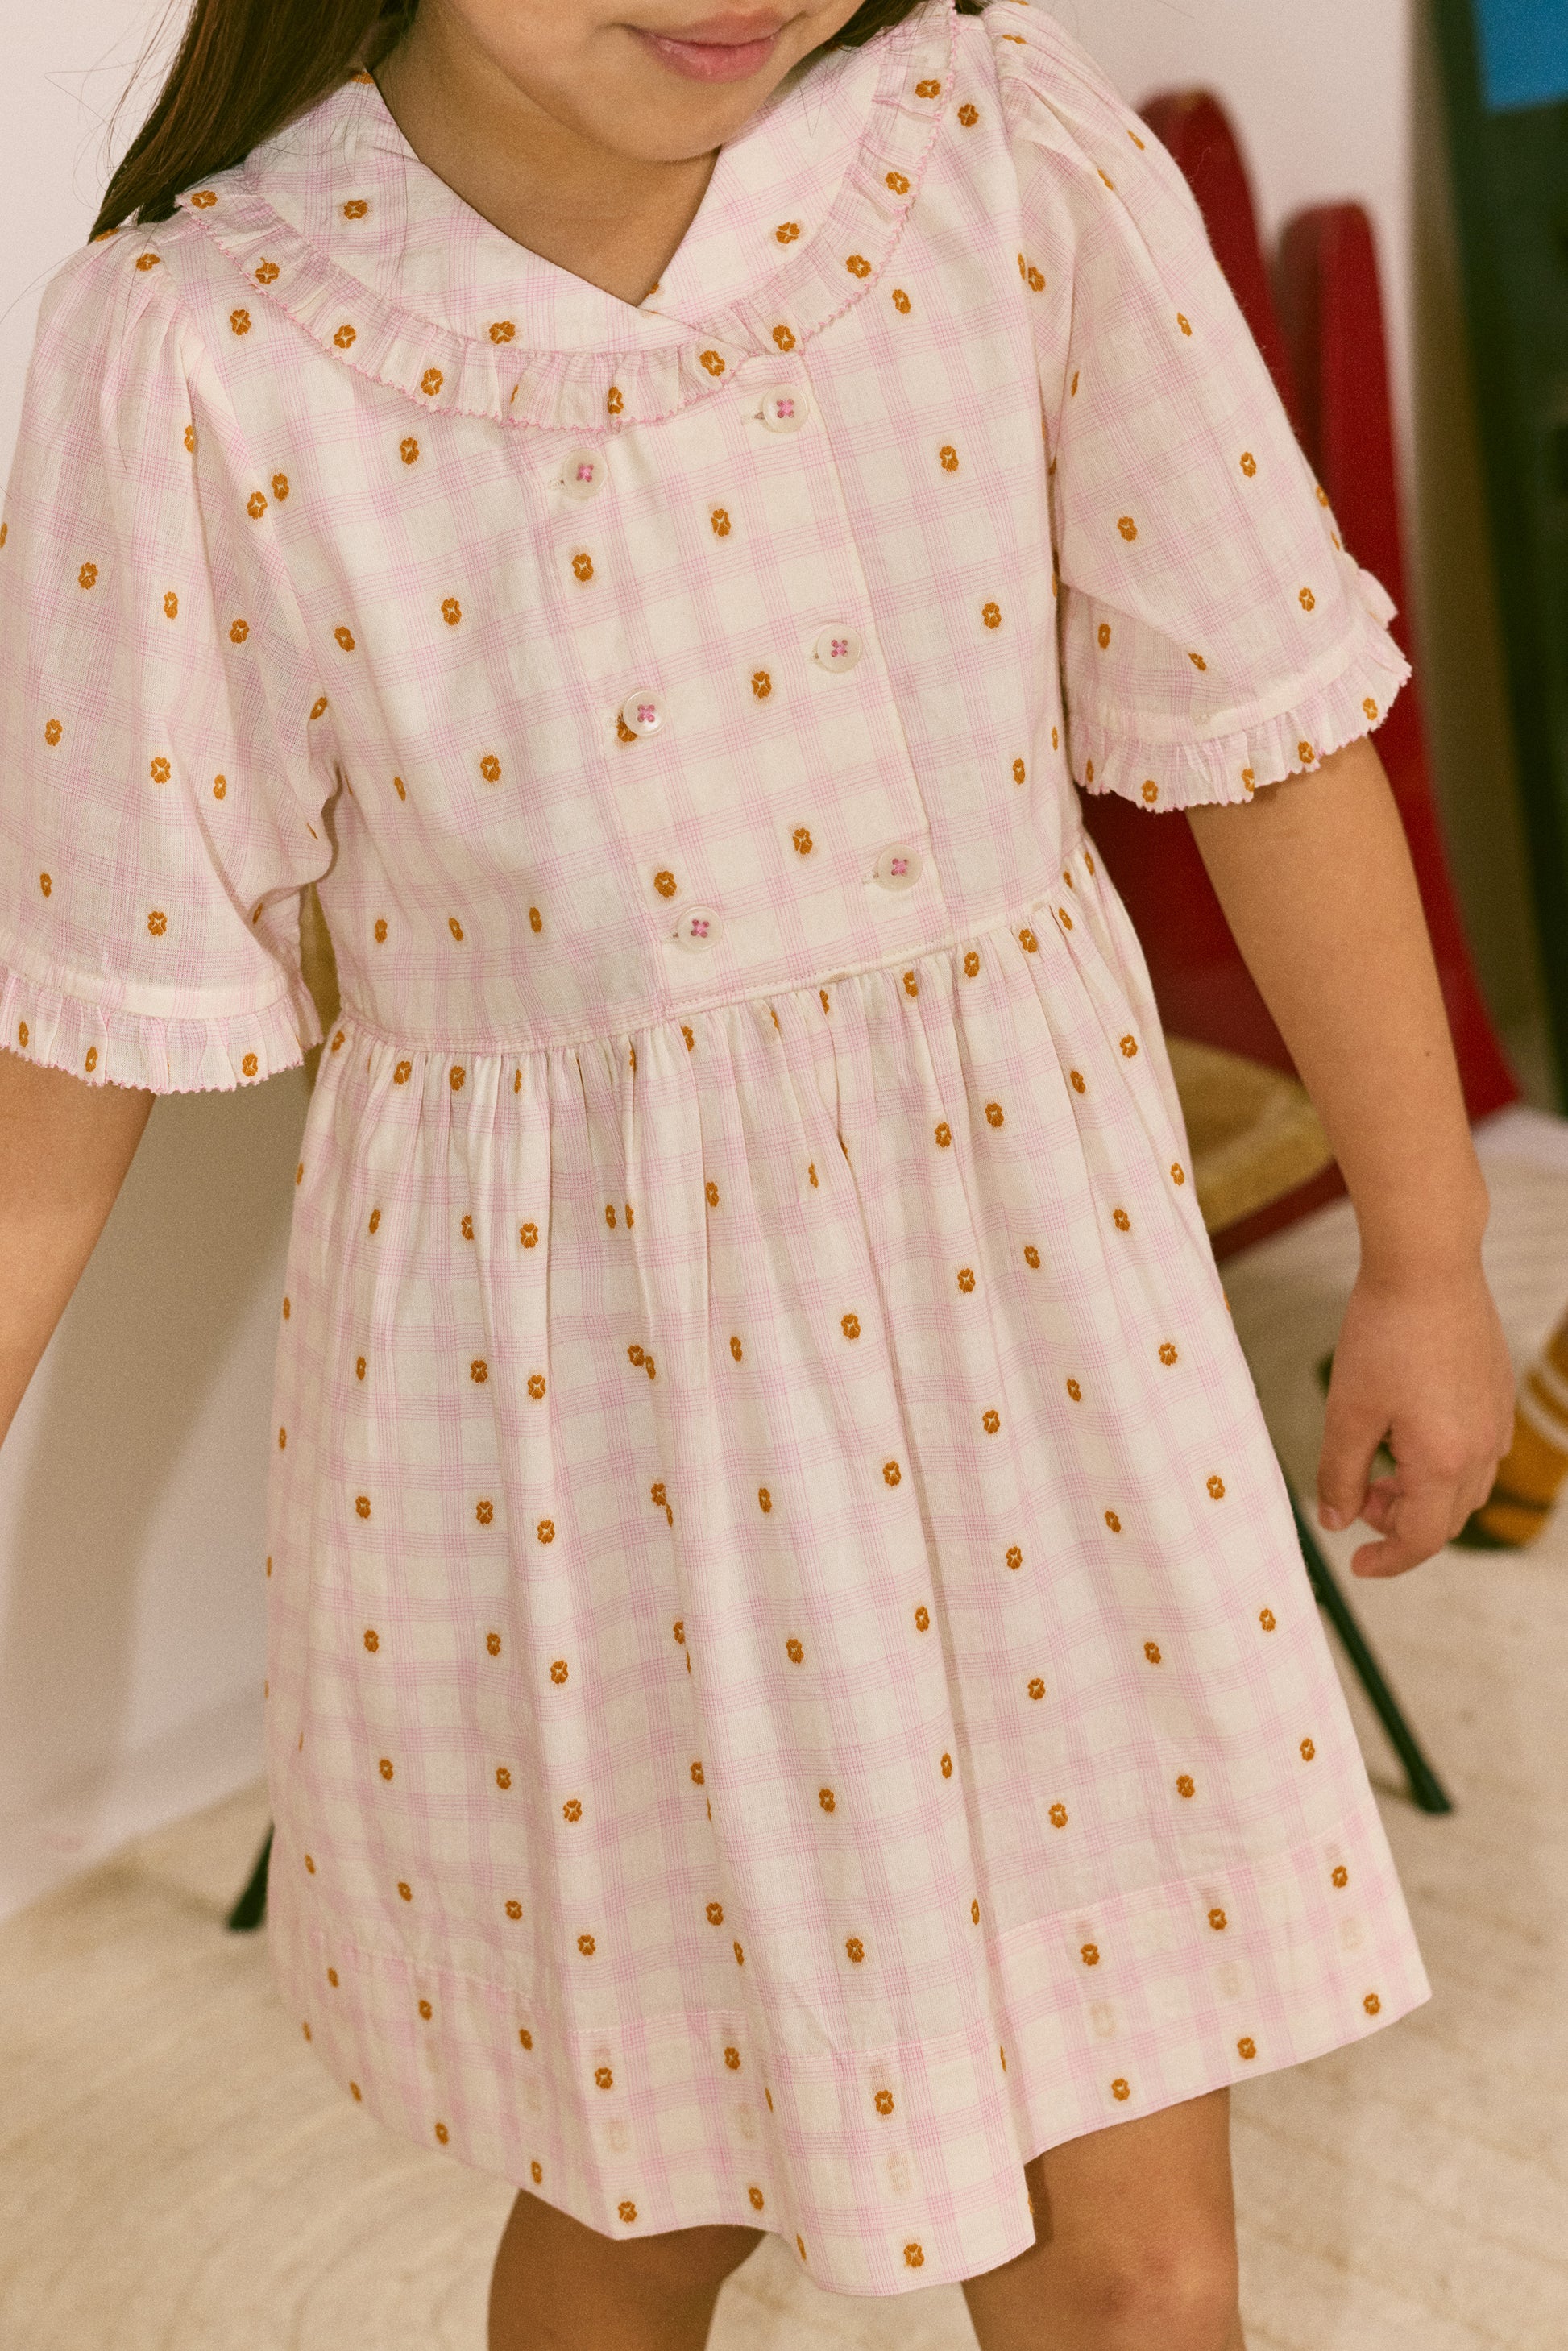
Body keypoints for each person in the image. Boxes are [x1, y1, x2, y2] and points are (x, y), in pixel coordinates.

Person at [0, 0, 1515, 2343]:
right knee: (649, 2197)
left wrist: (1428, 1252)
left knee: (1141, 2256)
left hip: (1036, 1370)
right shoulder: (200, 343)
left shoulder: (997, 155)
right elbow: (64, 1068)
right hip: (576, 1453)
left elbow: (1269, 733)